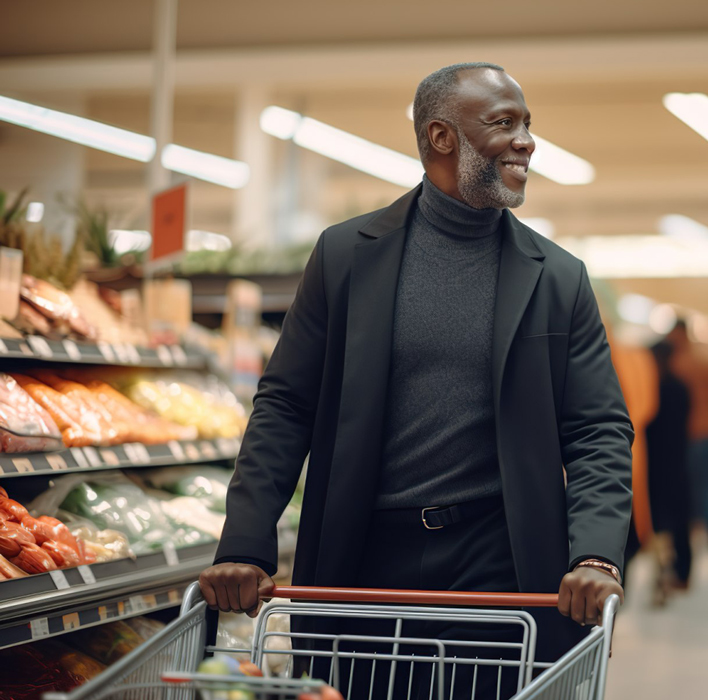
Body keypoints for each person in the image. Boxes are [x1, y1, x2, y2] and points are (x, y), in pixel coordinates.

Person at [199, 62, 633, 695]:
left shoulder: (557, 278)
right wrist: (245, 541)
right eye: (504, 123)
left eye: (527, 124)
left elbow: (598, 430)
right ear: (441, 136)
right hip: (362, 560)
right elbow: (287, 405)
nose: (526, 141)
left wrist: (594, 554)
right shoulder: (346, 256)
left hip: (501, 564)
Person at [668, 320, 708, 545]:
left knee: (691, 484)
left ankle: (694, 528)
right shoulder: (706, 360)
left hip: (688, 434)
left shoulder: (674, 364)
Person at [645, 341, 693, 591]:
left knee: (661, 521)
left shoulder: (652, 388)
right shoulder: (680, 387)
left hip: (655, 463)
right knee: (679, 519)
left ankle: (663, 571)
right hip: (678, 459)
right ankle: (682, 572)